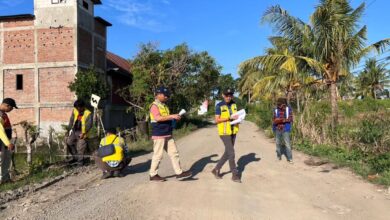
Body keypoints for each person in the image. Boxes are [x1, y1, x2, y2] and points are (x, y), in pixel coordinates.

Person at [149, 86, 192, 182]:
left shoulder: (164, 106)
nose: (167, 97)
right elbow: (158, 118)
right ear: (159, 94)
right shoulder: (154, 106)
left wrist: (174, 118)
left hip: (167, 133)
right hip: (159, 134)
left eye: (167, 95)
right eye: (165, 95)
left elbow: (166, 117)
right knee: (158, 155)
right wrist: (172, 116)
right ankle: (153, 174)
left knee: (174, 153)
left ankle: (179, 173)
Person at [211, 88, 241, 183]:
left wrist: (239, 118)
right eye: (227, 95)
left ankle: (216, 169)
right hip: (224, 132)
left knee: (228, 152)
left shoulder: (234, 104)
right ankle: (234, 175)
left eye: (230, 95)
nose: (228, 97)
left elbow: (236, 115)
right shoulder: (219, 106)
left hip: (233, 131)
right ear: (223, 95)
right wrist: (229, 118)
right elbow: (216, 120)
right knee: (231, 153)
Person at [66, 99, 93, 166]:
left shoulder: (88, 113)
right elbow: (71, 120)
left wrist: (83, 133)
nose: (77, 109)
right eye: (76, 108)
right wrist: (68, 130)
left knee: (80, 147)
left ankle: (80, 163)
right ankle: (76, 158)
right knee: (69, 142)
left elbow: (89, 125)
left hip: (83, 133)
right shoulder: (75, 110)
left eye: (79, 108)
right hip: (75, 131)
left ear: (83, 107)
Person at [0, 98, 17, 184]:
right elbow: (0, 130)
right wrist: (8, 143)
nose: (12, 110)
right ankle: (1, 180)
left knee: (6, 159)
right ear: (7, 105)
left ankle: (5, 179)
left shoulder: (3, 114)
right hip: (2, 141)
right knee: (1, 160)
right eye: (11, 108)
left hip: (4, 142)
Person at [273, 97, 293, 163]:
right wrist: (279, 121)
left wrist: (281, 120)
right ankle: (279, 156)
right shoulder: (276, 110)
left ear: (284, 104)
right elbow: (274, 120)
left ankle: (290, 158)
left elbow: (290, 119)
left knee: (287, 144)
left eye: (281, 104)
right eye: (278, 104)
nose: (279, 106)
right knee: (277, 143)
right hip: (277, 129)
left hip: (285, 129)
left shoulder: (288, 109)